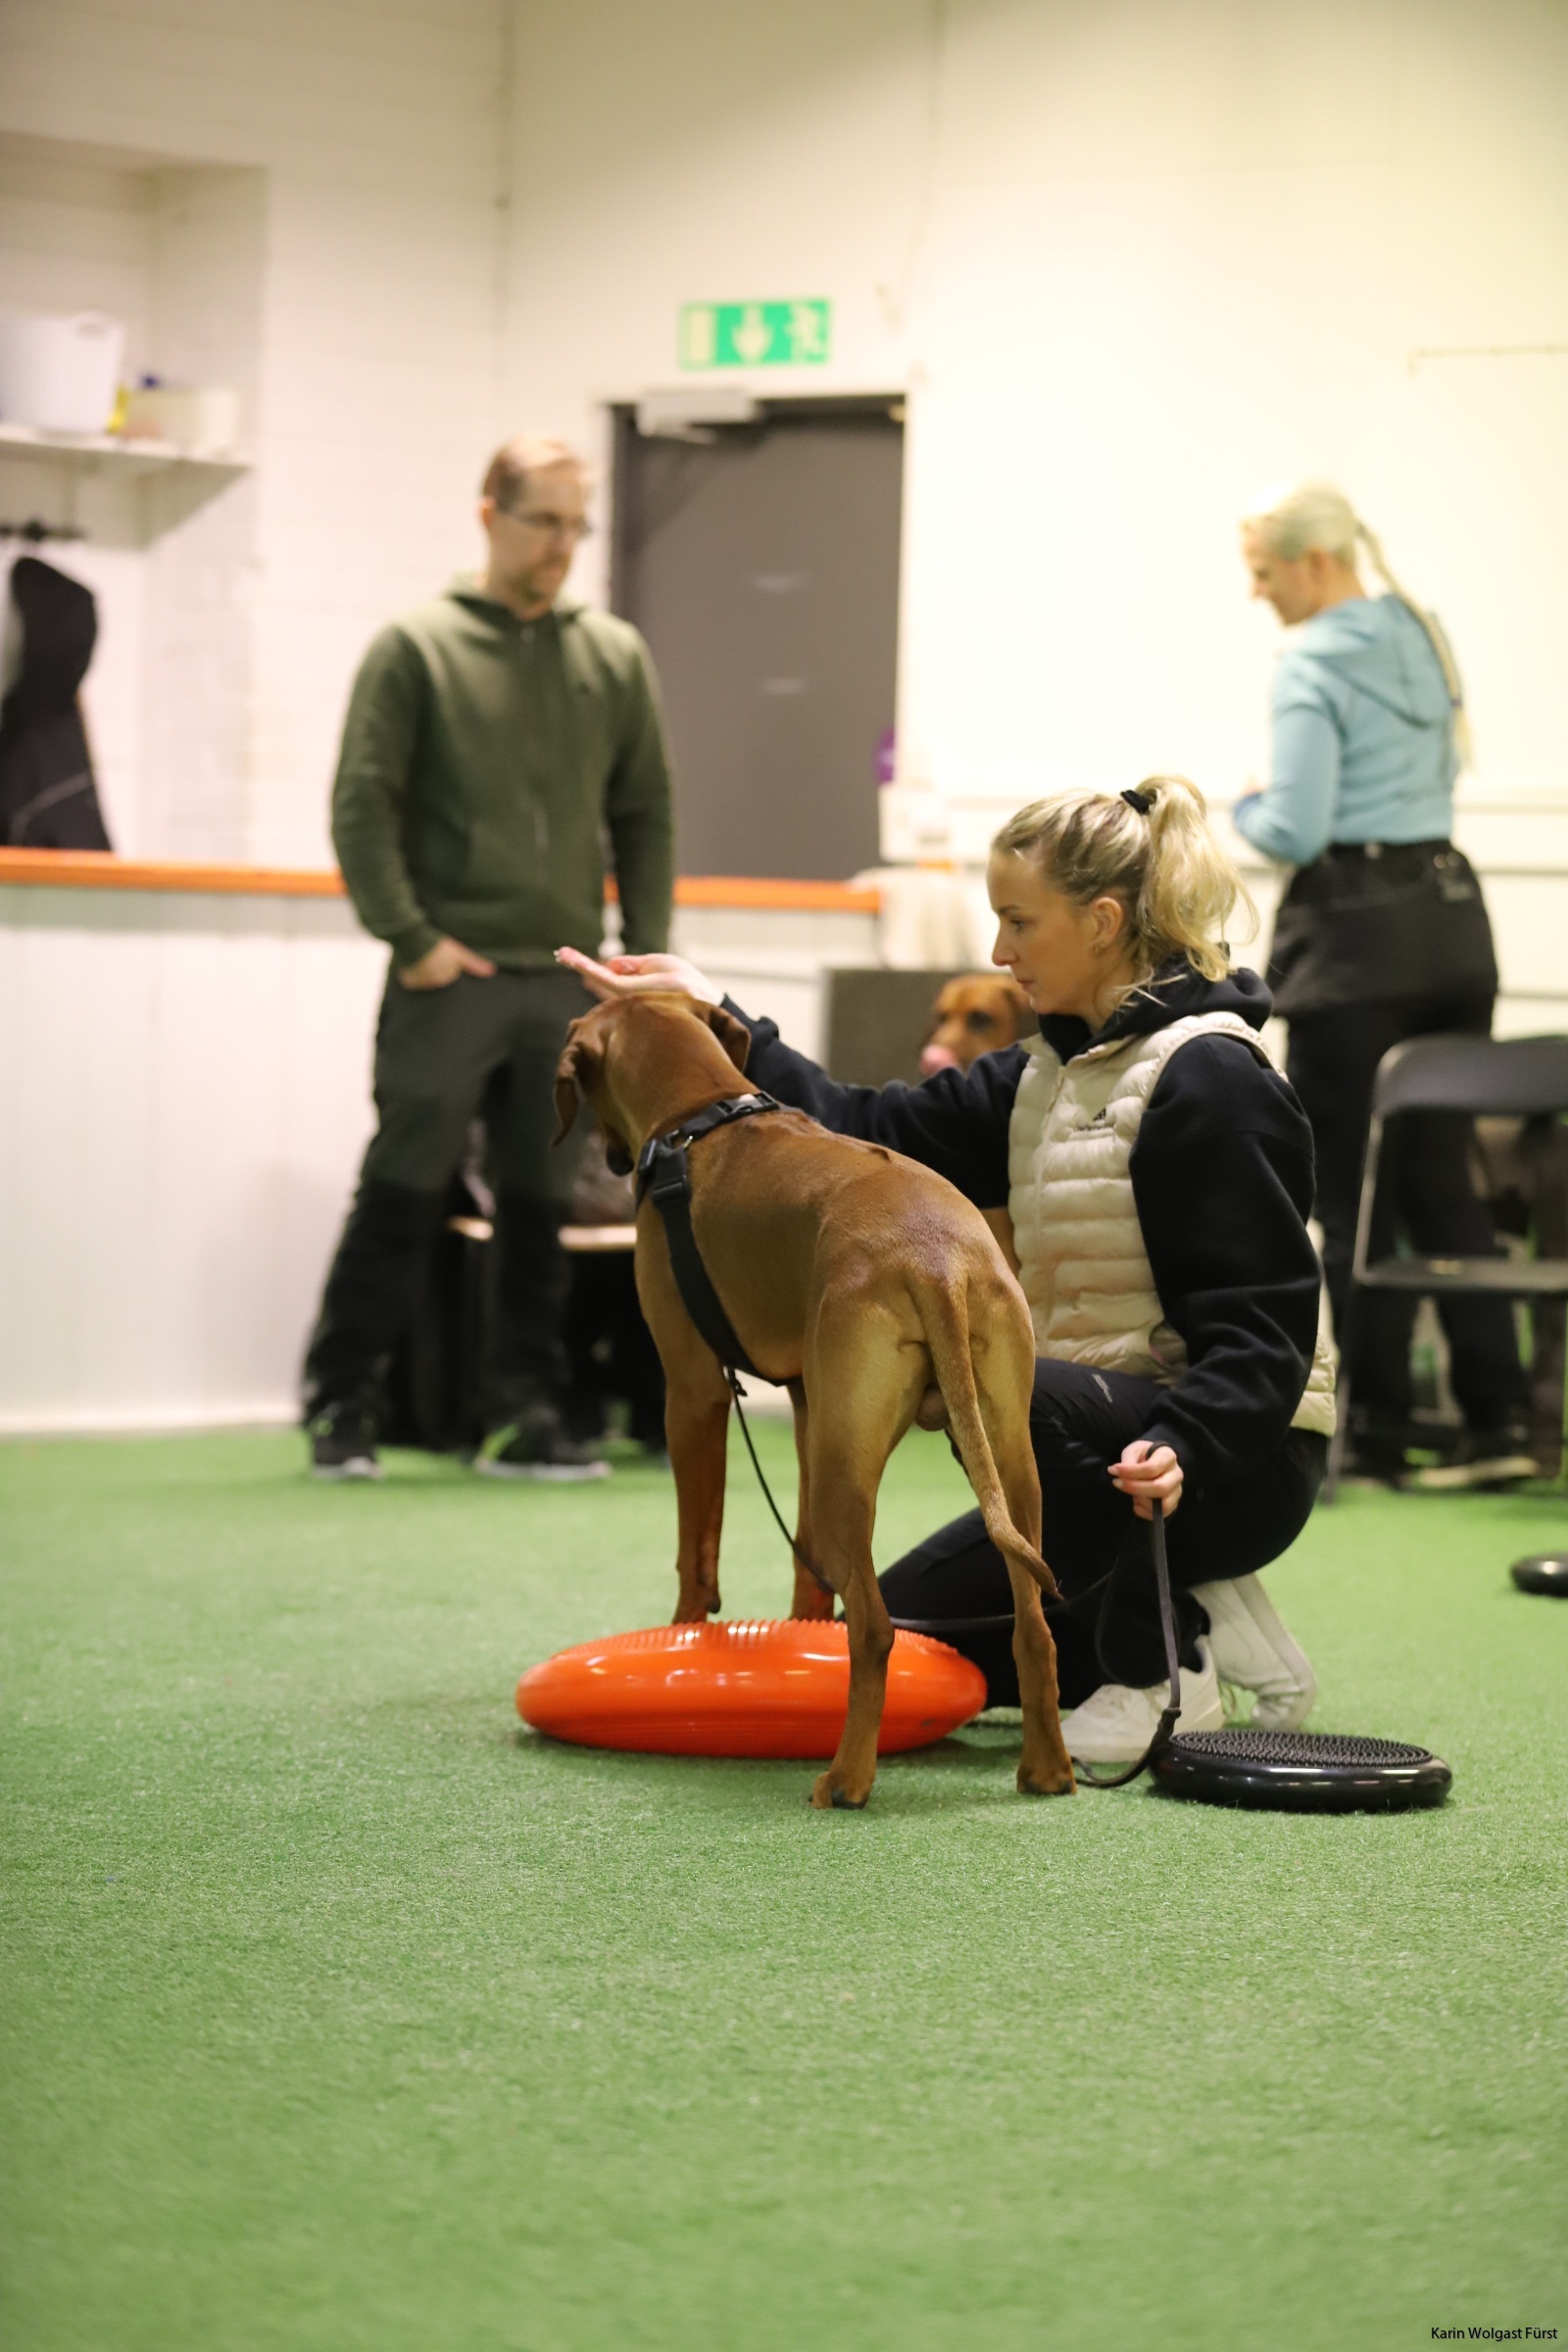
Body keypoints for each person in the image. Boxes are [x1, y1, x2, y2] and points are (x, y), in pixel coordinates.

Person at [562, 777, 1335, 1765]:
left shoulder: (1214, 1079)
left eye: (1019, 922)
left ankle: (1160, 1659)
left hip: (1229, 1456)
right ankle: (1206, 1606)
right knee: (924, 1639)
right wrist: (714, 1003)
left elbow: (1267, 1329)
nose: (1000, 952)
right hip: (1101, 1444)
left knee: (990, 1381)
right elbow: (862, 1125)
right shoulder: (1039, 1076)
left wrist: (1187, 1440)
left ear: (1102, 924)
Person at [303, 432, 675, 1481]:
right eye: (542, 521)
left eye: (575, 526)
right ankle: (342, 1404)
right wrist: (412, 940)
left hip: (561, 980)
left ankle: (523, 1413)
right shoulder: (416, 649)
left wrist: (640, 960)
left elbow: (645, 812)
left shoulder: (612, 656)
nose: (561, 544)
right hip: (449, 978)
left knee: (539, 1203)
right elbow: (361, 804)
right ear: (488, 516)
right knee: (405, 1185)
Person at [1235, 481, 1531, 1487]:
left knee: (1343, 1190)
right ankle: (1500, 1419)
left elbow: (1296, 827)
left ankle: (1368, 1425)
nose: (1256, 593)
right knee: (1440, 1175)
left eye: (1263, 573)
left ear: (1313, 563)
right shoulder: (1419, 630)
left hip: (1356, 941)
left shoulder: (1312, 662)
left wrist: (1244, 806)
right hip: (1453, 923)